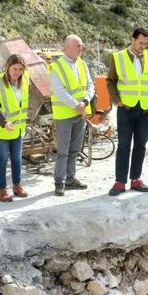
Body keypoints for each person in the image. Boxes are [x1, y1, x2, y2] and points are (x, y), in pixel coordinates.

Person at [106, 28, 148, 196]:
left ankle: (136, 179)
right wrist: (117, 100)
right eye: (140, 43)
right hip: (126, 109)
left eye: (146, 43)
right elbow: (110, 81)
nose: (143, 46)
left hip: (145, 108)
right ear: (132, 40)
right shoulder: (119, 57)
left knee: (141, 145)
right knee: (123, 145)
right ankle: (120, 182)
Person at [49, 34, 94, 196]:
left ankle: (70, 179)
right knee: (63, 151)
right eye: (78, 46)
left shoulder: (82, 64)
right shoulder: (57, 67)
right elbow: (59, 91)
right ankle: (59, 182)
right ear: (67, 47)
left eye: (81, 45)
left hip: (80, 113)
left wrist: (85, 101)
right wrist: (77, 105)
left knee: (75, 149)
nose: (81, 48)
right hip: (64, 115)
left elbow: (90, 85)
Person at [0, 54, 30, 202]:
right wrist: (4, 122)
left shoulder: (24, 82)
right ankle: (2, 189)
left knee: (17, 158)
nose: (17, 72)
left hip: (17, 129)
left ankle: (17, 186)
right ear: (7, 67)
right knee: (2, 158)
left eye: (20, 69)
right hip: (0, 129)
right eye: (14, 68)